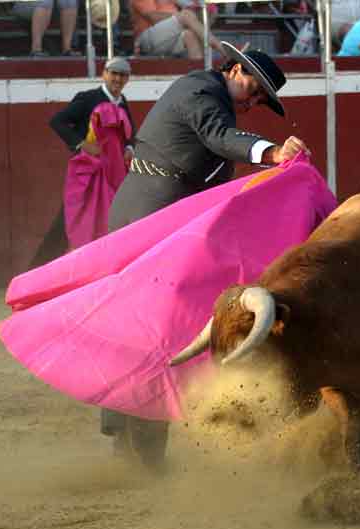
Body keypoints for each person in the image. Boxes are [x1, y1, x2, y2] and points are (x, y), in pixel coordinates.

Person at [102, 43, 310, 469]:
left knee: (155, 326)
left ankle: (129, 434)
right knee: (155, 327)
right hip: (149, 215)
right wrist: (271, 153)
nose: (255, 100)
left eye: (262, 99)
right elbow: (217, 136)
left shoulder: (217, 101)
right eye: (255, 88)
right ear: (234, 69)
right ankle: (139, 441)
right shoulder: (201, 89)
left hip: (168, 217)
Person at [36, 57, 134, 261]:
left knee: (102, 217)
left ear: (128, 78)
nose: (117, 78)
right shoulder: (88, 98)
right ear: (104, 74)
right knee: (73, 216)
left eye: (122, 75)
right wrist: (82, 144)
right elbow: (58, 122)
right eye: (113, 73)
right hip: (88, 170)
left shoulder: (122, 102)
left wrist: (129, 148)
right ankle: (41, 266)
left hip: (111, 173)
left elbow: (128, 134)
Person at [130, 0, 224, 58]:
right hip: (145, 40)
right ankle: (221, 49)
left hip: (167, 37)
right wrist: (182, 17)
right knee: (186, 15)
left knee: (189, 35)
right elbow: (153, 17)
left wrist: (205, 11)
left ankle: (199, 77)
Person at [12, 0, 79, 56]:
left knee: (69, 1)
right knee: (45, 1)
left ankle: (67, 49)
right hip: (26, 4)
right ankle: (36, 49)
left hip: (53, 7)